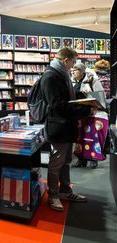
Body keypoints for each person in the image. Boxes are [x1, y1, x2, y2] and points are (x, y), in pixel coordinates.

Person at [42, 47, 94, 211]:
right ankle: (54, 195)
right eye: (73, 62)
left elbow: (66, 99)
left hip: (66, 126)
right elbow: (57, 105)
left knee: (65, 162)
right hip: (58, 127)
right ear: (66, 60)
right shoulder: (51, 76)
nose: (73, 66)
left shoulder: (61, 74)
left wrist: (84, 100)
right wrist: (84, 109)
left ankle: (65, 191)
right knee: (56, 163)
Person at [70, 63, 105, 168]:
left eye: (75, 70)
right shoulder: (72, 82)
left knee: (92, 137)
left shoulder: (92, 80)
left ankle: (93, 158)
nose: (72, 72)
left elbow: (100, 96)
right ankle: (81, 159)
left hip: (92, 113)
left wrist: (96, 105)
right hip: (79, 113)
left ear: (82, 71)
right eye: (71, 70)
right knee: (79, 138)